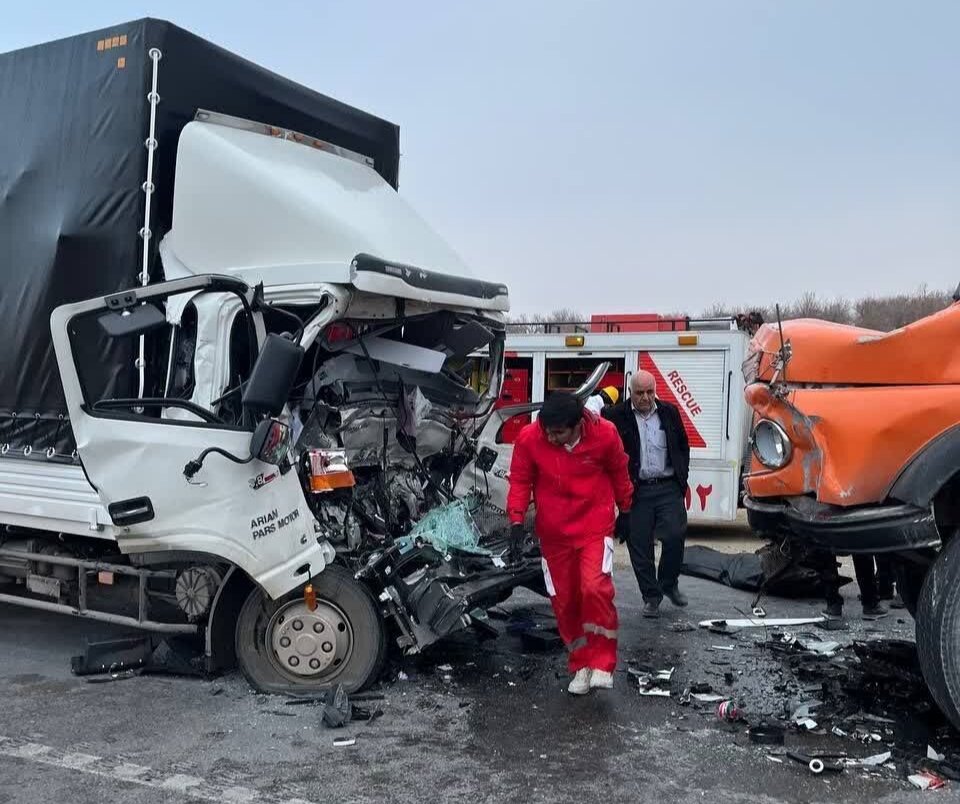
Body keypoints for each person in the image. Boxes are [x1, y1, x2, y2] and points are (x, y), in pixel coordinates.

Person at [507, 391, 633, 695]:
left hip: (594, 526)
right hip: (554, 535)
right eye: (546, 431)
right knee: (564, 601)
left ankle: (602, 662)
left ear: (578, 424)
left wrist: (626, 509)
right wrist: (515, 521)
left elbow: (619, 471)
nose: (550, 437)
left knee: (594, 588)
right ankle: (580, 664)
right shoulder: (529, 437)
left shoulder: (605, 434)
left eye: (558, 432)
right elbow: (521, 480)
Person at [603, 370, 690, 618]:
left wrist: (681, 480)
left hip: (667, 487)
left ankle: (668, 583)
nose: (646, 397)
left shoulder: (668, 412)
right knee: (639, 546)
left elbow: (682, 445)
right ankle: (651, 596)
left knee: (675, 535)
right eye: (640, 393)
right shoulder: (615, 416)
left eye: (650, 392)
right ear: (631, 392)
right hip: (637, 490)